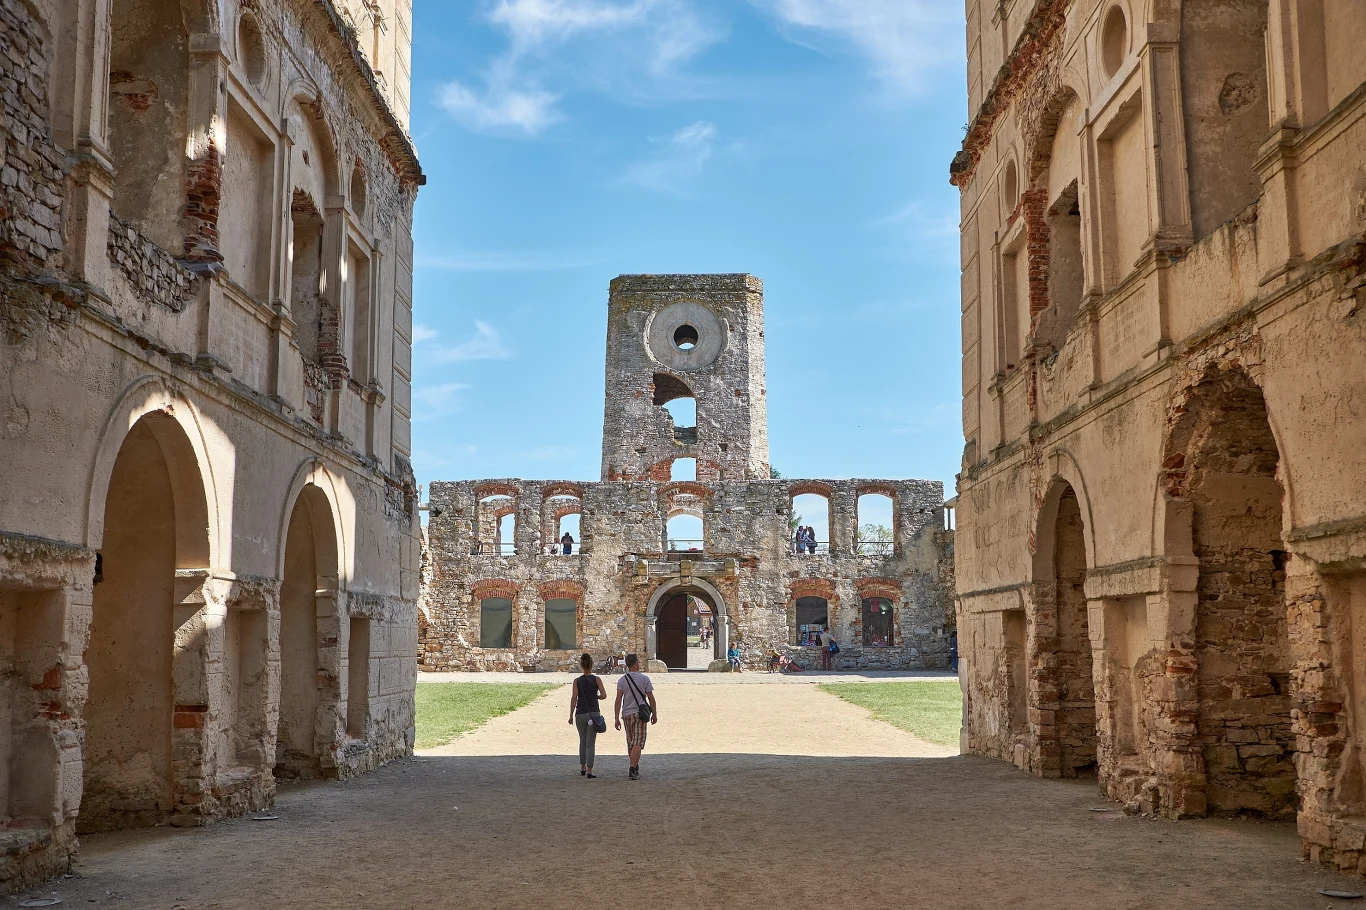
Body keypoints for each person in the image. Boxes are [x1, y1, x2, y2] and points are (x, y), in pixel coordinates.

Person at [613, 654, 657, 780]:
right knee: (638, 742)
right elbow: (651, 698)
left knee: (630, 742)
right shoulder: (644, 679)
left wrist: (616, 718)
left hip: (626, 714)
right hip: (640, 714)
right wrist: (654, 713)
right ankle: (632, 769)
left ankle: (634, 765)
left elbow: (618, 700)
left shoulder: (622, 680)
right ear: (636, 663)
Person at [568, 653, 607, 778]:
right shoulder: (597, 679)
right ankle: (590, 770)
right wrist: (596, 697)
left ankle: (582, 767)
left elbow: (574, 698)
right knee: (590, 743)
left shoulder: (577, 681)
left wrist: (570, 715)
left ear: (581, 666)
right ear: (592, 665)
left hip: (580, 713)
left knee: (582, 741)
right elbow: (604, 695)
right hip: (593, 713)